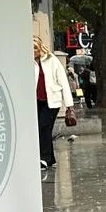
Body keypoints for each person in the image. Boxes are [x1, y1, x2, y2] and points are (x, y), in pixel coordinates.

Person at [34, 36, 73, 170]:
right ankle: (50, 159)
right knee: (44, 129)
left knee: (43, 127)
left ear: (40, 47)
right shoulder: (29, 62)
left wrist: (69, 105)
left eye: (35, 48)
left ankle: (44, 158)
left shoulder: (52, 60)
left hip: (52, 101)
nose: (33, 52)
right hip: (37, 101)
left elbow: (63, 82)